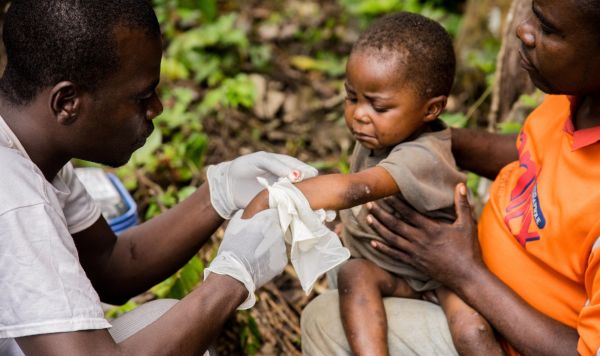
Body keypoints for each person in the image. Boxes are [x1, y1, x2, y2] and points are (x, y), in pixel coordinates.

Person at [0, 1, 319, 355]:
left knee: (165, 323)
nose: (156, 108)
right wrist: (231, 280)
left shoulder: (35, 152)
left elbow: (111, 266)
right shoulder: (14, 196)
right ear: (66, 103)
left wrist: (219, 192)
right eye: (141, 96)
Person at [301, 0, 600, 355]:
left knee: (326, 320)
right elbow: (534, 154)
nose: (523, 29)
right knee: (347, 272)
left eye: (548, 29)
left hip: (502, 331)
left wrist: (465, 272)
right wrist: (420, 148)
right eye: (534, 10)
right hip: (460, 280)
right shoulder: (577, 99)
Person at [243, 12, 501, 356]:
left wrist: (276, 196)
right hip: (391, 269)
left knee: (472, 331)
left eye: (378, 106)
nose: (360, 114)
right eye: (352, 98)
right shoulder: (377, 135)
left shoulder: (422, 154)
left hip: (443, 277)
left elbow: (357, 188)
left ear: (432, 109)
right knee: (354, 275)